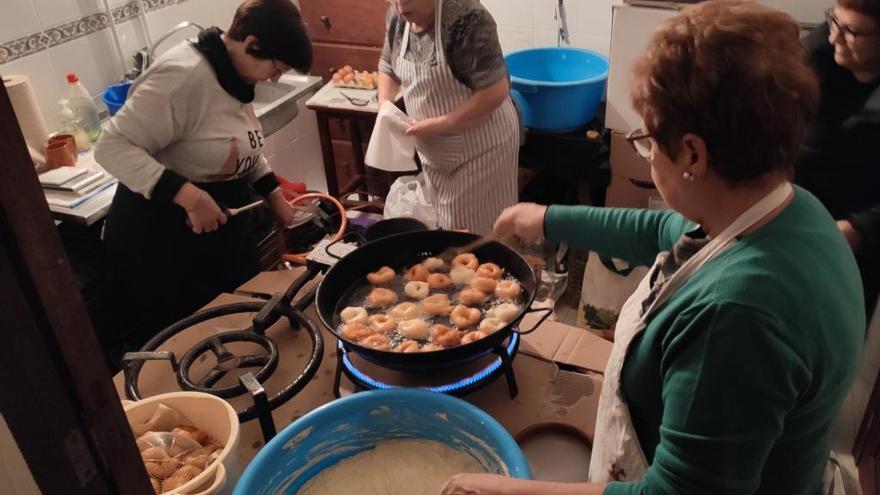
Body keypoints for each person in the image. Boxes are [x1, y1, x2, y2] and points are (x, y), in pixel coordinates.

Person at [443, 1, 864, 494]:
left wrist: (501, 489)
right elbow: (658, 233)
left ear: (692, 153)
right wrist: (546, 218)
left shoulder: (737, 315)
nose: (645, 152)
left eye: (646, 139)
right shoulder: (792, 210)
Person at [95, 0, 311, 348]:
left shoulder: (233, 74)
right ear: (251, 43)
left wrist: (274, 195)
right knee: (192, 345)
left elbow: (241, 147)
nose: (275, 77)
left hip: (221, 228)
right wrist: (191, 197)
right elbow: (111, 146)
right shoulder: (183, 76)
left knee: (240, 327)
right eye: (276, 66)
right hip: (165, 236)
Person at [378, 0, 520, 234]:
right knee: (449, 230)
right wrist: (385, 106)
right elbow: (387, 66)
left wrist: (441, 124)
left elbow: (496, 91)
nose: (401, 5)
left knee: (481, 236)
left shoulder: (466, 18)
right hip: (434, 147)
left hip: (482, 146)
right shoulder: (398, 17)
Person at [796, 0, 880, 318]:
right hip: (799, 210)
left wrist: (861, 229)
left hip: (857, 233)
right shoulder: (816, 53)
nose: (834, 38)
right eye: (833, 21)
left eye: (851, 31)